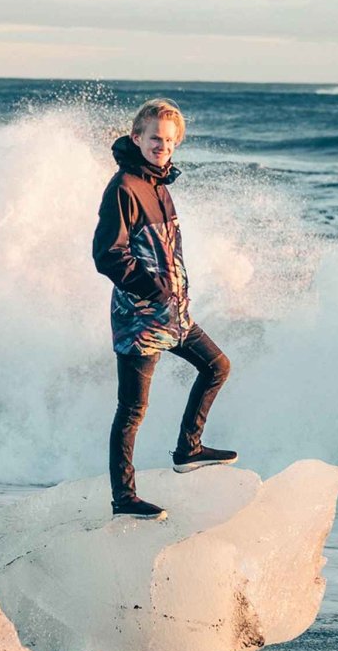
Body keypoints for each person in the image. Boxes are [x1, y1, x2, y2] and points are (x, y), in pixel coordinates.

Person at [92, 98, 236, 521]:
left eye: (170, 141)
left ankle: (188, 449)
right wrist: (153, 288)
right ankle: (124, 499)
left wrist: (174, 295)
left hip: (173, 315)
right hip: (139, 317)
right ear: (137, 137)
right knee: (132, 410)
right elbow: (107, 254)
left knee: (217, 366)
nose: (163, 147)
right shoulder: (124, 188)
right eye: (156, 138)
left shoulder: (160, 186)